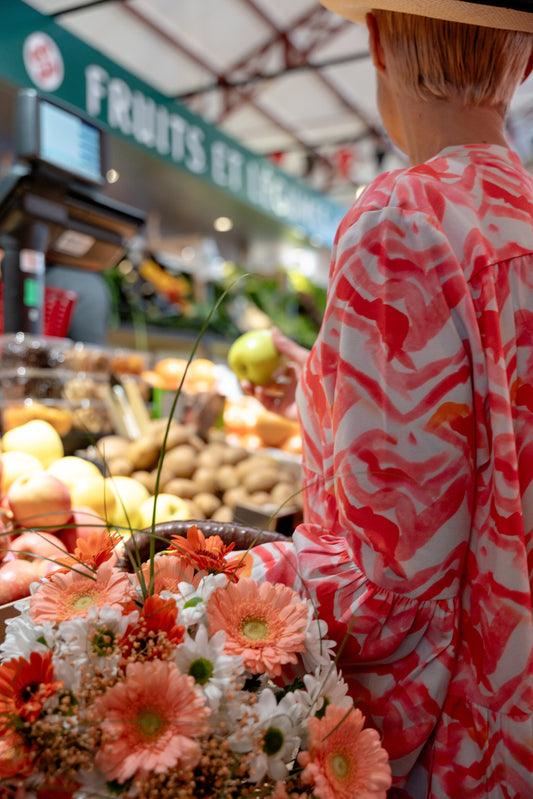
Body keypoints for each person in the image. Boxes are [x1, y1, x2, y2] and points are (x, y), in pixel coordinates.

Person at [247, 1, 533, 797]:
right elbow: (491, 433)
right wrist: (321, 379)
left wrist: (242, 571)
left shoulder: (401, 215)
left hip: (452, 737)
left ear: (374, 36)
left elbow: (389, 589)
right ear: (529, 62)